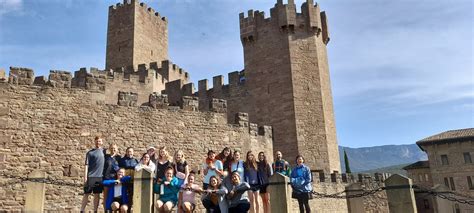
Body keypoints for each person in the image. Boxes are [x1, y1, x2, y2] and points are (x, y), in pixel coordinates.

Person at [80, 136, 105, 212]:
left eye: (100, 141)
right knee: (86, 194)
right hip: (90, 176)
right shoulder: (90, 153)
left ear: (102, 142)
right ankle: (82, 210)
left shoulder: (104, 152)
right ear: (94, 142)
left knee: (97, 195)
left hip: (99, 177)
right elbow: (86, 165)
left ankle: (95, 210)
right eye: (97, 141)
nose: (98, 142)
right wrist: (85, 178)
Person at [103, 143, 120, 210]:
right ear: (109, 149)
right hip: (107, 178)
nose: (113, 149)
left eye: (114, 148)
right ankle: (106, 210)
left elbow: (121, 169)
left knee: (115, 197)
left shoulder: (119, 158)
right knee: (106, 197)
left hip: (115, 179)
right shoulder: (106, 157)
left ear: (117, 149)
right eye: (112, 148)